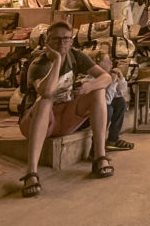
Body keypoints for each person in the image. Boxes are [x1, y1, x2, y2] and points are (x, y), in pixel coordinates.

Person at [18, 21, 115, 197]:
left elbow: (106, 77)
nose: (62, 43)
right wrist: (56, 60)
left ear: (72, 41)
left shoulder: (76, 55)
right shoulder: (39, 62)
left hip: (64, 118)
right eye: (56, 39)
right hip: (38, 121)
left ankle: (100, 157)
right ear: (47, 41)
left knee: (98, 90)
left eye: (66, 39)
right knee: (45, 100)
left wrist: (88, 87)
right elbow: (46, 91)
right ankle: (31, 173)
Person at [90, 51, 134, 152]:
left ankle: (113, 140)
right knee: (108, 109)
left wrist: (121, 78)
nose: (111, 63)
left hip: (104, 105)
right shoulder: (93, 78)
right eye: (107, 60)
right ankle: (95, 148)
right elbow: (106, 101)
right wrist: (112, 82)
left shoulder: (108, 75)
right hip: (91, 112)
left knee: (120, 102)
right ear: (98, 64)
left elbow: (121, 92)